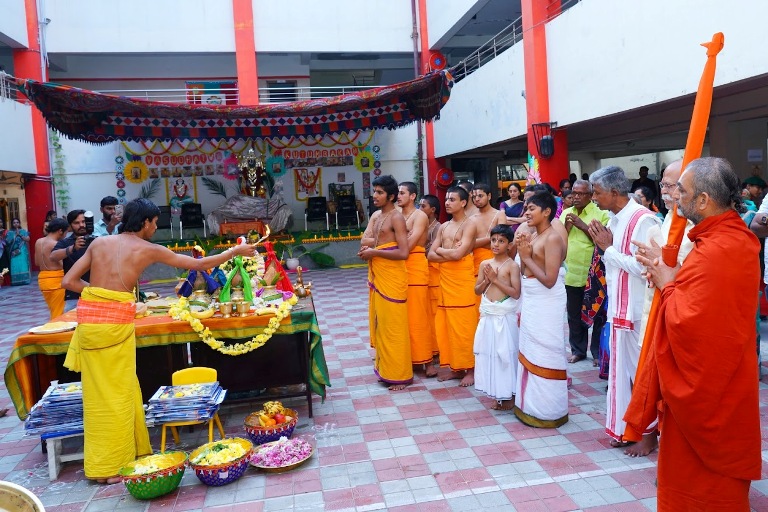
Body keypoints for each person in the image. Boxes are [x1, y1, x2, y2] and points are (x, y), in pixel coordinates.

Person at [61, 198, 257, 483]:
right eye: (154, 223)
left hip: (90, 325)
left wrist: (102, 298)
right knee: (117, 397)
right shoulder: (148, 249)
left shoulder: (99, 243)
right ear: (144, 223)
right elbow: (200, 264)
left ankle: (126, 454)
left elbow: (69, 281)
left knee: (104, 394)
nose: (155, 228)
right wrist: (235, 250)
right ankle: (110, 468)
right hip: (115, 328)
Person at [627, 157, 761, 510]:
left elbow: (693, 324)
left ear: (703, 201)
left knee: (704, 492)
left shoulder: (724, 247)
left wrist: (668, 284)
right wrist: (671, 274)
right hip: (719, 385)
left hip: (712, 394)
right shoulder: (724, 240)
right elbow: (703, 296)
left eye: (681, 192)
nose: (674, 198)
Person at [587, 166, 660, 454]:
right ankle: (626, 429)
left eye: (597, 192)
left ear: (614, 193)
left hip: (637, 312)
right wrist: (607, 251)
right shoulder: (615, 219)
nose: (594, 198)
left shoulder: (643, 219)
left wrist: (608, 250)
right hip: (618, 307)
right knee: (622, 375)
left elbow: (645, 268)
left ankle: (647, 434)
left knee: (640, 375)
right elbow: (614, 266)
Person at [513, 191, 568, 427]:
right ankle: (529, 406)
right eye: (526, 208)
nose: (526, 212)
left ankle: (548, 411)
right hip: (533, 300)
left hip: (546, 301)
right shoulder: (534, 235)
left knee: (545, 350)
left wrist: (526, 256)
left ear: (547, 212)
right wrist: (522, 254)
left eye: (532, 208)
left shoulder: (552, 238)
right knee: (530, 349)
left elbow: (549, 279)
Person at [359, 175, 412, 390]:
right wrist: (371, 251)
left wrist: (374, 252)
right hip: (380, 277)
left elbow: (403, 252)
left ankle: (401, 375)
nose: (375, 195)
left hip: (393, 278)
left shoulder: (396, 218)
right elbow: (375, 242)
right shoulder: (378, 215)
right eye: (375, 191)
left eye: (380, 192)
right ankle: (387, 371)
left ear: (391, 196)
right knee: (382, 327)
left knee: (394, 328)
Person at [428, 186, 477, 386]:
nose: (447, 202)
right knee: (446, 327)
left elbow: (459, 255)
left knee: (464, 327)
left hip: (462, 283)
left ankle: (471, 369)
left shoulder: (470, 224)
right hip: (446, 283)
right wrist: (446, 252)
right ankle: (456, 368)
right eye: (446, 199)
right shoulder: (443, 226)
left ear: (463, 202)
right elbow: (430, 254)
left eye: (452, 199)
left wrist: (441, 251)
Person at [561, 180, 610, 364]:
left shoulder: (601, 214)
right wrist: (566, 227)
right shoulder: (565, 213)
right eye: (573, 193)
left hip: (594, 275)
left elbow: (603, 242)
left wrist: (583, 225)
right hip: (571, 272)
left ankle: (597, 352)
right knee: (573, 315)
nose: (576, 197)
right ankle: (578, 350)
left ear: (590, 195)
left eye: (581, 194)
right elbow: (559, 240)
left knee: (597, 314)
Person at [473, 224, 521, 411]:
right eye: (493, 240)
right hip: (488, 314)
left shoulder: (512, 266)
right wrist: (486, 280)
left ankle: (509, 395)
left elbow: (515, 293)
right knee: (490, 353)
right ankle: (496, 391)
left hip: (504, 316)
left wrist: (495, 280)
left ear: (509, 245)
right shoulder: (485, 264)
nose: (496, 244)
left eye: (501, 241)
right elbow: (477, 290)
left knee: (505, 355)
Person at [397, 182, 436, 377]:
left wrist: (400, 239)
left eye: (402, 193)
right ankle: (408, 358)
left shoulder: (420, 216)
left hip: (416, 269)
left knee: (420, 316)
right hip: (398, 271)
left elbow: (409, 245)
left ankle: (427, 361)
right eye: (398, 192)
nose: (398, 196)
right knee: (403, 318)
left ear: (412, 196)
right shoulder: (396, 215)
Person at [51, 210, 92, 312]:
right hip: (74, 296)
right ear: (70, 226)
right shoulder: (65, 242)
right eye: (76, 223)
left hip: (96, 292)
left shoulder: (98, 240)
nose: (81, 225)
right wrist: (72, 248)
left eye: (83, 221)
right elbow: (53, 257)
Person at [419, 194, 442, 368]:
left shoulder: (438, 227)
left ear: (433, 210)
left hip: (434, 275)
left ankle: (436, 350)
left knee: (434, 315)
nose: (420, 209)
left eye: (423, 206)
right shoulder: (423, 224)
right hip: (422, 274)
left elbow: (433, 252)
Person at [470, 183, 499, 314]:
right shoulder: (470, 219)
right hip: (475, 265)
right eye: (474, 196)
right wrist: (492, 238)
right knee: (477, 305)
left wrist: (475, 242)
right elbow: (468, 245)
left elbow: (502, 241)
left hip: (496, 264)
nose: (477, 199)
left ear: (489, 196)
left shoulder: (499, 214)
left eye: (480, 196)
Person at [35, 218, 69, 319]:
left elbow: (37, 262)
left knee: (54, 310)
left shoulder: (38, 242)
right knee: (58, 313)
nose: (65, 235)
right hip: (56, 279)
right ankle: (55, 333)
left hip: (43, 279)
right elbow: (63, 263)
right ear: (60, 231)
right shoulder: (56, 244)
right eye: (66, 232)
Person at [5, 218, 31, 285]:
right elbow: (7, 242)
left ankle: (25, 280)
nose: (16, 224)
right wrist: (15, 235)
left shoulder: (23, 231)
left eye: (17, 222)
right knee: (15, 265)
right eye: (14, 222)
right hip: (14, 252)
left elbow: (28, 239)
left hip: (22, 251)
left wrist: (20, 235)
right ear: (12, 224)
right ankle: (16, 281)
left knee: (23, 265)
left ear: (19, 223)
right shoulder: (9, 233)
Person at [0, 218, 9, 286]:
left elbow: (8, 241)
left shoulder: (5, 231)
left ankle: (5, 281)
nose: (0, 224)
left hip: (4, 250)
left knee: (4, 264)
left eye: (1, 222)